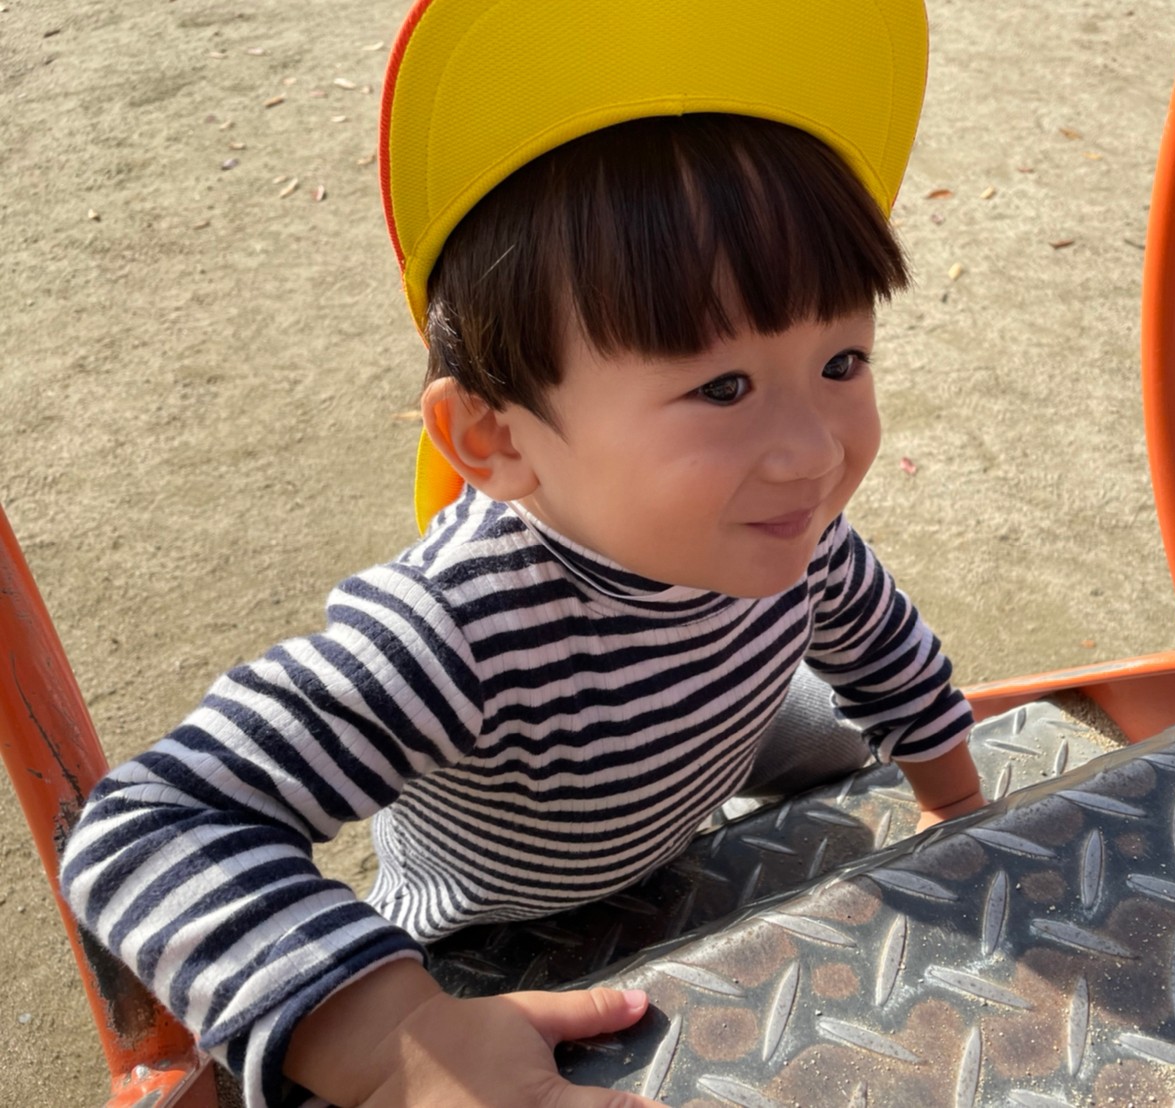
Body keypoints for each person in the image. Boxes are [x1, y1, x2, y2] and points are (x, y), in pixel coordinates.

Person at [60, 0, 987, 1105]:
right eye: (722, 387)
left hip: (689, 763)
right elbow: (150, 824)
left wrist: (956, 809)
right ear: (495, 439)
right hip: (497, 921)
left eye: (841, 362)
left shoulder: (795, 532)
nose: (814, 453)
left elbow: (884, 644)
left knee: (822, 724)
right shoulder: (456, 628)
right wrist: (397, 1040)